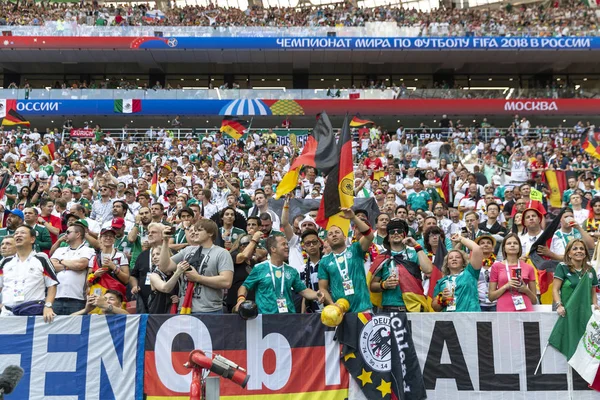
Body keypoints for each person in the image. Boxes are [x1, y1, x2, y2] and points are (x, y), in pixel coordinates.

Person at [159, 219, 233, 314]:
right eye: (194, 230)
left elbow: (226, 282)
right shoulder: (188, 250)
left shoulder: (222, 253)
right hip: (183, 309)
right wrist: (165, 242)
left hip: (209, 311)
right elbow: (164, 267)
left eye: (199, 230)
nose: (195, 233)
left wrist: (198, 278)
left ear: (210, 233)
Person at [235, 235, 322, 314]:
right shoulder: (259, 268)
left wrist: (316, 295)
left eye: (287, 244)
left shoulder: (291, 271)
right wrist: (241, 299)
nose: (287, 247)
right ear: (273, 249)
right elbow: (244, 286)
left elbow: (303, 290)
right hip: (266, 318)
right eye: (283, 244)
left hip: (288, 318)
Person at [318, 208, 374, 313]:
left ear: (344, 237)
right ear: (327, 241)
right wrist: (332, 304)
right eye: (330, 234)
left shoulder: (355, 249)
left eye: (337, 232)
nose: (334, 235)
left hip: (363, 308)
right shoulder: (324, 262)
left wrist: (353, 217)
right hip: (340, 311)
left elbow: (369, 235)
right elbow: (323, 288)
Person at [369, 219, 433, 312]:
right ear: (388, 237)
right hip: (390, 307)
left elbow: (429, 270)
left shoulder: (415, 253)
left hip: (414, 307)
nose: (396, 233)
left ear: (404, 235)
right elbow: (372, 286)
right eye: (392, 231)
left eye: (399, 231)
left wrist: (416, 245)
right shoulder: (382, 257)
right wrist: (384, 285)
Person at [0, 226, 58, 323]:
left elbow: (52, 285)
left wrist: (48, 306)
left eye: (22, 233)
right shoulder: (5, 262)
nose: (18, 235)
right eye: (16, 233)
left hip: (32, 313)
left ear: (32, 239)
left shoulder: (41, 259)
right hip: (7, 314)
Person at [50, 223, 95, 315]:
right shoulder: (60, 250)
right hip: (56, 298)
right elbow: (51, 265)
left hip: (77, 299)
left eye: (68, 232)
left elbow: (80, 264)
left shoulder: (88, 250)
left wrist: (61, 261)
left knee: (76, 328)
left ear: (78, 234)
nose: (65, 234)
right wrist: (69, 265)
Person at [432, 234, 483, 312]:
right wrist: (442, 299)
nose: (454, 259)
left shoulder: (470, 273)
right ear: (447, 264)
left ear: (463, 262)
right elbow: (435, 307)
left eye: (458, 257)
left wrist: (461, 239)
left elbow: (477, 249)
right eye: (450, 258)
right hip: (450, 319)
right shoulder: (441, 282)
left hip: (470, 317)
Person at [488, 233, 537, 312]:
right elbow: (491, 297)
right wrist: (506, 286)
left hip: (525, 308)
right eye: (509, 243)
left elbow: (534, 300)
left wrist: (526, 290)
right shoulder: (496, 267)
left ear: (519, 248)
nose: (512, 245)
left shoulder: (529, 268)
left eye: (515, 243)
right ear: (504, 248)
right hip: (504, 309)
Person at [553, 239, 600, 317]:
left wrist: (595, 305)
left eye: (582, 249)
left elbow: (593, 292)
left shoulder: (591, 270)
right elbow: (555, 289)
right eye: (575, 249)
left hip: (586, 312)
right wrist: (559, 305)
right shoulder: (562, 267)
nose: (579, 251)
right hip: (567, 312)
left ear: (585, 254)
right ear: (569, 254)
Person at [130, 222, 166, 313]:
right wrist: (135, 286)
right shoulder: (142, 255)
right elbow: (133, 275)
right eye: (148, 233)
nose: (150, 234)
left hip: (165, 301)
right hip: (144, 301)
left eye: (153, 232)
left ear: (163, 235)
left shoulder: (170, 253)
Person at [476, 235, 498, 312]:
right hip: (478, 304)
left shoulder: (499, 264)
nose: (485, 245)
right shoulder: (474, 265)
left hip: (497, 303)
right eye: (482, 243)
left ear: (493, 248)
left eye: (488, 243)